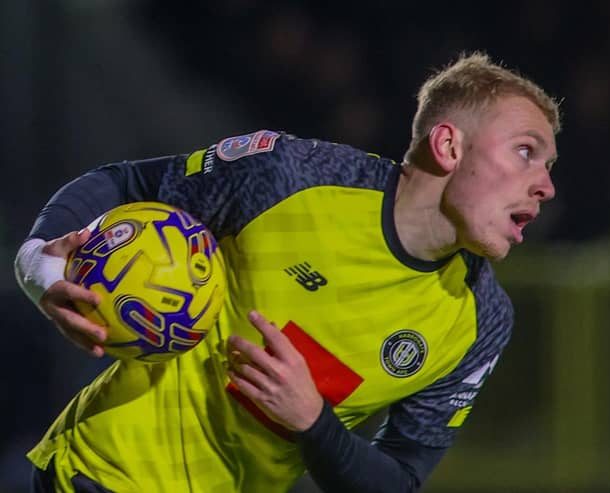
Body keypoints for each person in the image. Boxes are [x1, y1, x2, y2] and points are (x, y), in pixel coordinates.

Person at [15, 51, 560, 493]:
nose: (545, 185)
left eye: (548, 166)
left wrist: (313, 423)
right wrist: (37, 262)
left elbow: (400, 479)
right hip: (96, 474)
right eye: (524, 152)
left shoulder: (481, 320)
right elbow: (127, 183)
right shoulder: (288, 176)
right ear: (448, 146)